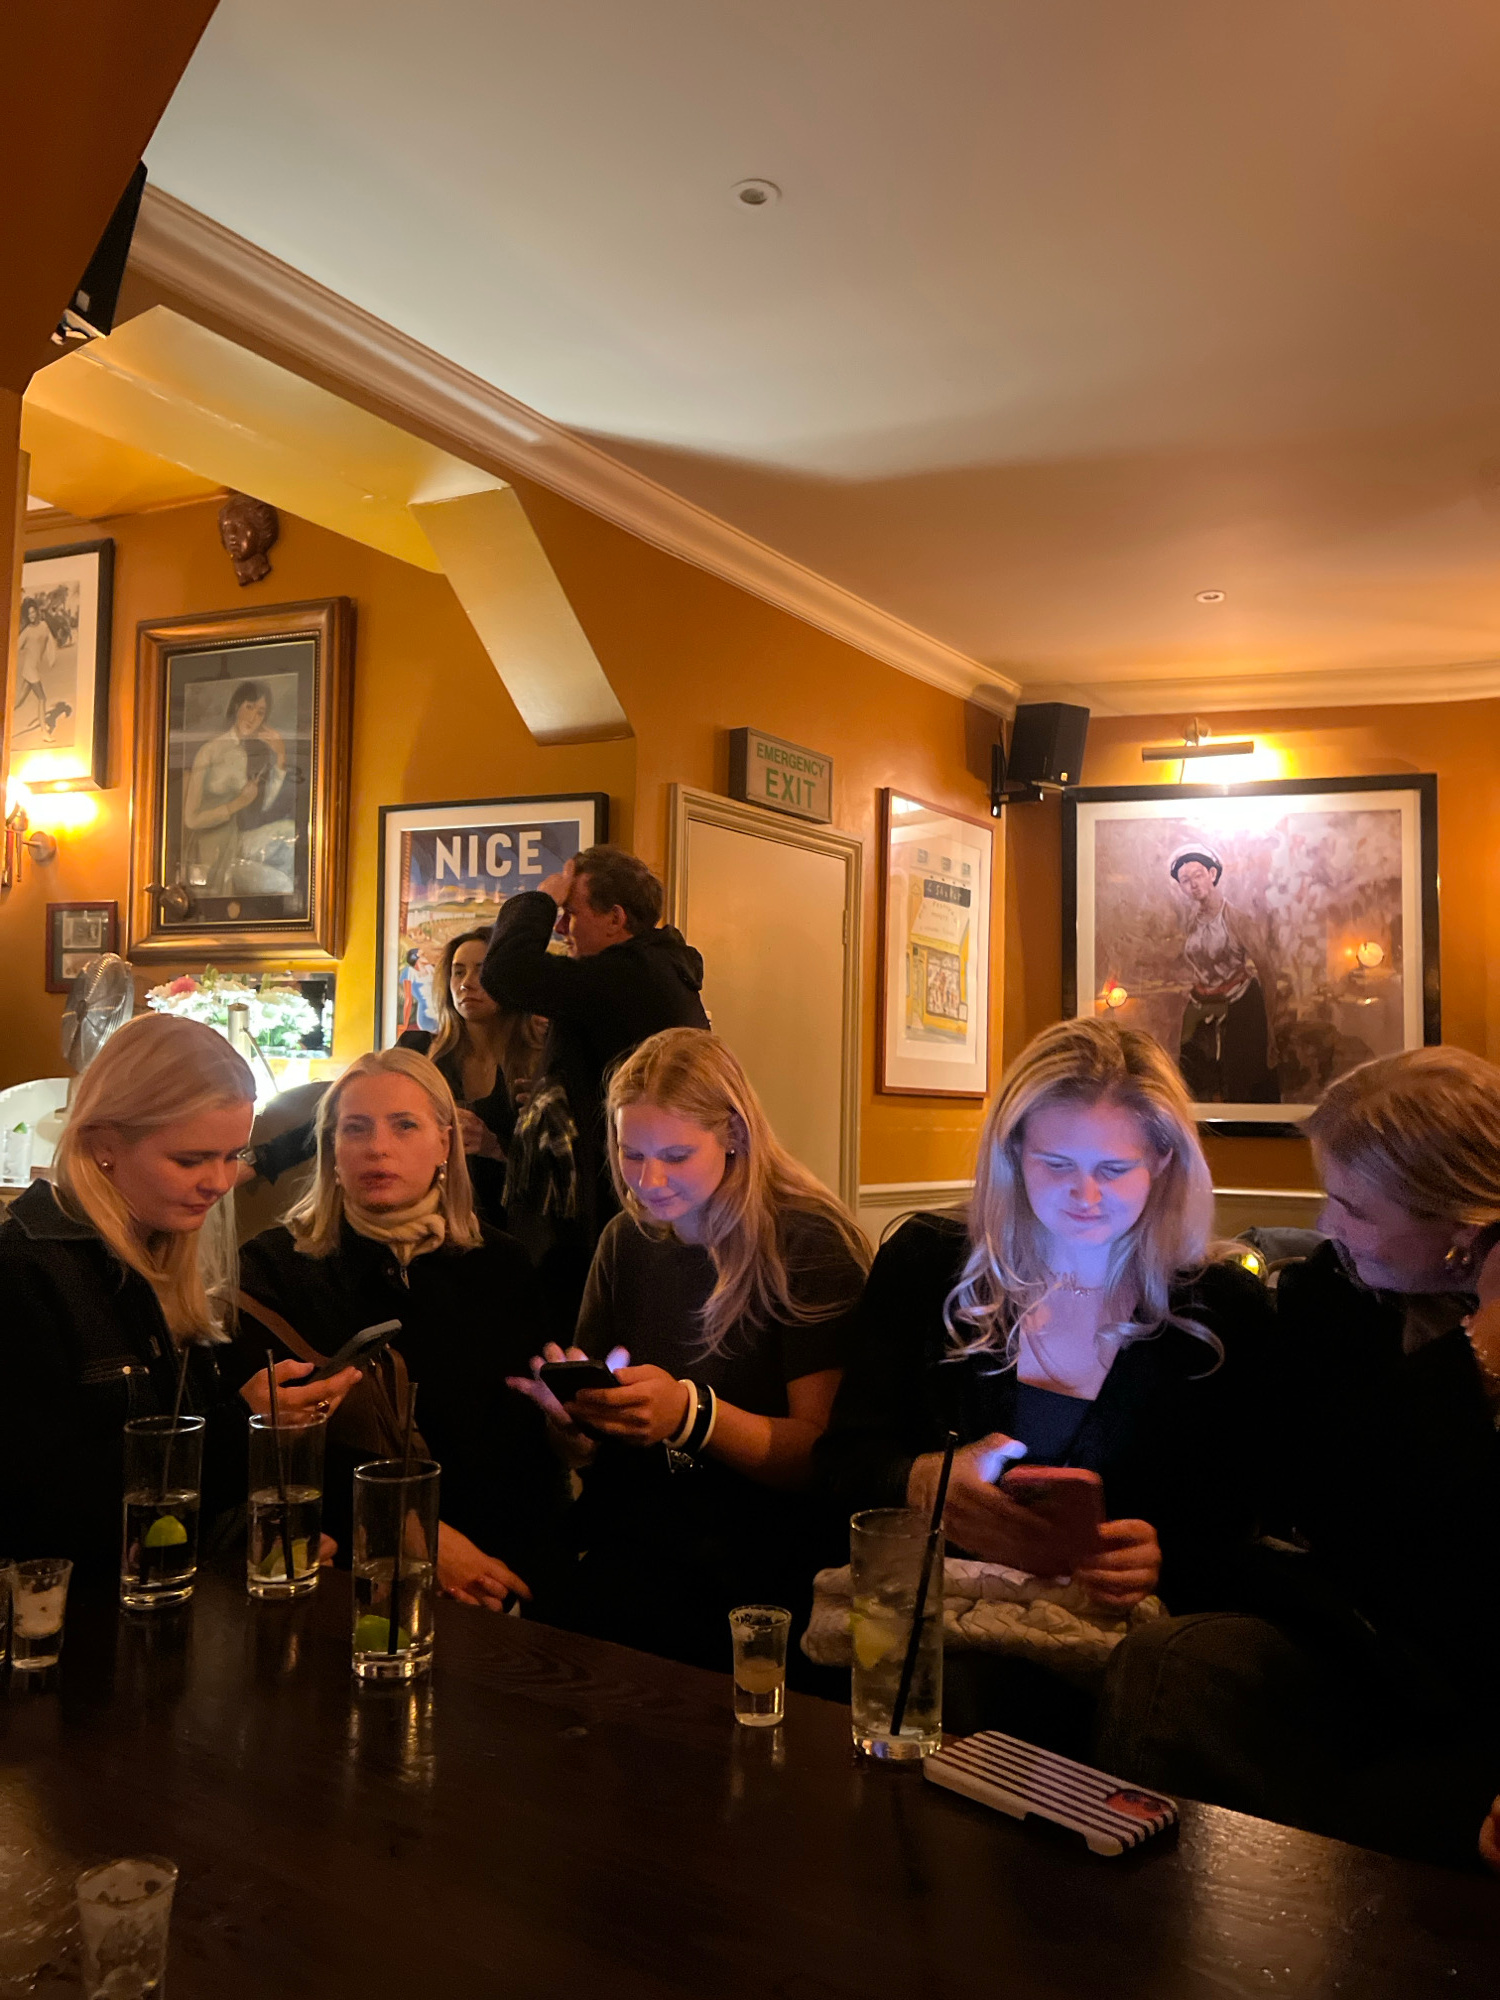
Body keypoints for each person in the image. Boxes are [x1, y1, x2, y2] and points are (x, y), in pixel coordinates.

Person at [1098, 1046, 1500, 1870]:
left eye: (1354, 1208)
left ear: (1465, 1226)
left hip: (1479, 1675)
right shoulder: (1330, 1292)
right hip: (1369, 1645)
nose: (1325, 1226)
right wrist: (1477, 1351)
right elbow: (1335, 1501)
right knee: (1173, 1668)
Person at [817, 1017, 1272, 1745]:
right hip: (939, 1650)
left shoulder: (1220, 1312)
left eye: (1114, 1170)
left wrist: (1159, 1560)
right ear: (1013, 1153)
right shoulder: (927, 1267)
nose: (1085, 1194)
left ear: (1162, 1161)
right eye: (1056, 1164)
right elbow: (840, 1464)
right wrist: (919, 1479)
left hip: (1114, 1677)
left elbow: (1239, 1535)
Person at [514, 1027, 867, 1670]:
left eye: (676, 1156)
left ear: (733, 1135)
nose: (649, 1180)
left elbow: (822, 1458)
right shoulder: (625, 1240)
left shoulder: (806, 1243)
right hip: (641, 1538)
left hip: (764, 1554)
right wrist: (572, 1422)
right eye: (631, 1154)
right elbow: (589, 1442)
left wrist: (690, 1415)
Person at [0, 1015, 356, 1571]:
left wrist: (250, 1533)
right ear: (103, 1145)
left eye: (232, 1155)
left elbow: (182, 1502)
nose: (219, 1182)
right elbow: (46, 1509)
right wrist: (238, 1426)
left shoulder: (160, 1255)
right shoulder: (23, 1271)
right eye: (191, 1160)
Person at [236, 1048, 569, 1611]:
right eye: (355, 1128)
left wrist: (571, 1434)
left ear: (445, 1143)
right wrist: (415, 1535)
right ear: (331, 1148)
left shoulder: (504, 1264)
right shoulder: (271, 1270)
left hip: (499, 1577)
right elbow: (268, 1457)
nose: (378, 1147)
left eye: (404, 1125)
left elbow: (528, 1455)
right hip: (347, 1572)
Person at [481, 845, 709, 1252]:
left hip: (614, 1203)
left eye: (570, 913)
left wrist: (542, 899)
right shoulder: (653, 968)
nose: (561, 928)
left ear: (615, 919)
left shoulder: (629, 975)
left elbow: (505, 972)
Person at [396, 928, 544, 1224]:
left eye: (482, 970)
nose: (466, 983)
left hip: (516, 1227)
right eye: (458, 972)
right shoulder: (418, 1052)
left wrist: (495, 1147)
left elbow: (568, 1167)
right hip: (429, 1222)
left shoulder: (541, 1062)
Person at [1168, 843, 1282, 1104]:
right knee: (1194, 1083)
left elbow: (1266, 970)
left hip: (1240, 1005)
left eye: (1198, 875)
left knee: (1241, 1083)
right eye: (1185, 880)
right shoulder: (1190, 923)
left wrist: (1270, 1029)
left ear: (1212, 874)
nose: (1193, 884)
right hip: (1200, 1006)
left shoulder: (1237, 920)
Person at [182, 681, 288, 898]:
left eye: (260, 713)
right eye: (249, 707)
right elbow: (191, 820)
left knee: (288, 831)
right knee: (281, 883)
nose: (253, 717)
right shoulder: (210, 751)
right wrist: (238, 803)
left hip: (238, 841)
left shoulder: (255, 753)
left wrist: (280, 756)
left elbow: (266, 807)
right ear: (237, 706)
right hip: (212, 849)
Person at [13, 595, 59, 742]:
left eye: (33, 612)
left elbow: (50, 640)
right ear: (27, 616)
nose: (32, 615)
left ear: (37, 612)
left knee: (19, 701)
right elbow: (14, 648)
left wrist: (52, 657)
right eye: (29, 614)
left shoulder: (44, 625)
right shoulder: (27, 631)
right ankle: (44, 732)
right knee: (42, 698)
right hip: (30, 669)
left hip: (32, 669)